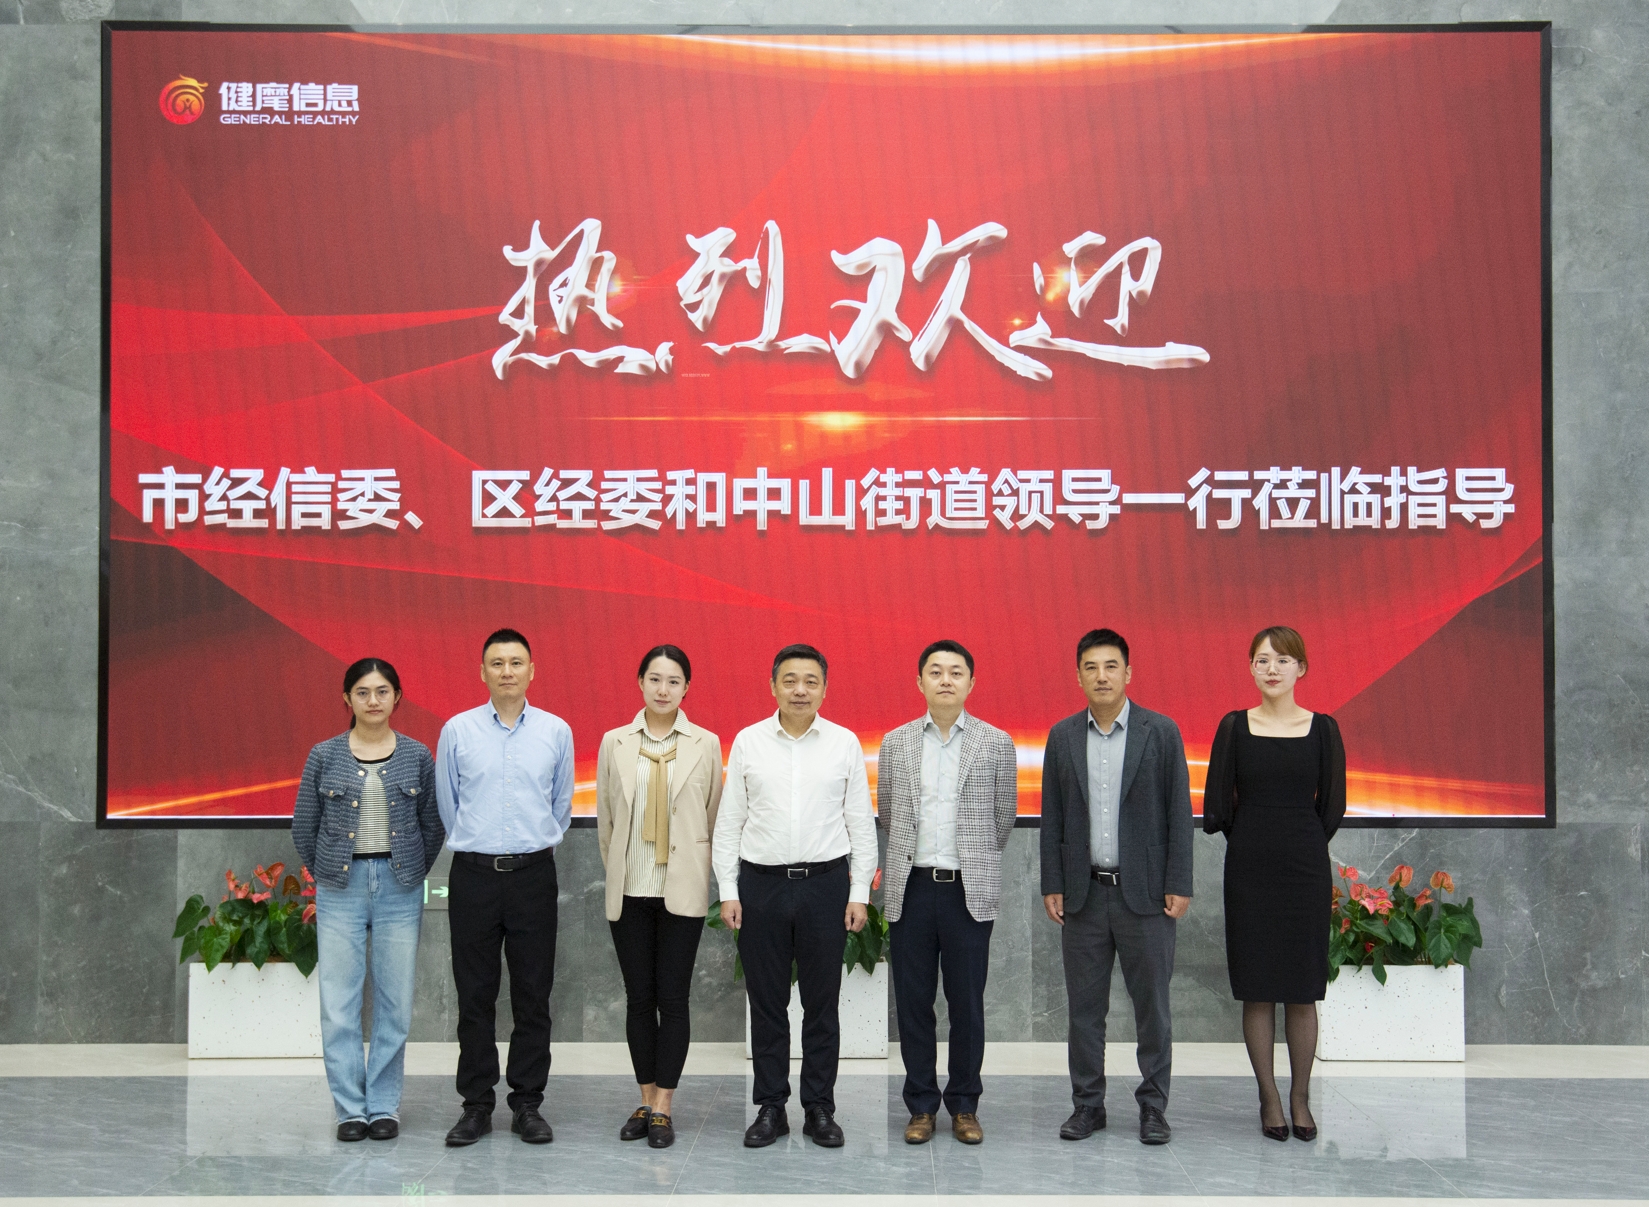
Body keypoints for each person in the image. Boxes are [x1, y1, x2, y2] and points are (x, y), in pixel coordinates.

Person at [713, 643, 878, 1149]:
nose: (800, 690)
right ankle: (770, 1107)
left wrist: (858, 892)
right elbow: (730, 822)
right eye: (790, 680)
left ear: (824, 688)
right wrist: (728, 890)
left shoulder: (844, 743)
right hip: (760, 886)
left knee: (821, 1004)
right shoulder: (748, 741)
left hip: (825, 886)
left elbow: (860, 823)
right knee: (767, 1003)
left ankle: (819, 1108)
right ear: (773, 686)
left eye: (810, 681)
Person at [1039, 628, 1194, 1146]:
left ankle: (1154, 1107)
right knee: (1085, 1011)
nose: (1101, 676)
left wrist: (1178, 881)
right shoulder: (1063, 736)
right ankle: (1088, 1105)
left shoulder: (1160, 732)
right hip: (1083, 895)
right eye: (1091, 667)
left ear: (1128, 672)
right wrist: (1053, 882)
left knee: (1153, 1009)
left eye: (1111, 666)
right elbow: (1053, 816)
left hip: (1146, 896)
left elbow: (1179, 812)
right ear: (1078, 675)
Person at [1202, 626, 1347, 1143]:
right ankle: (1269, 1099)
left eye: (1283, 660)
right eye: (1262, 659)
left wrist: (1297, 840)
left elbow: (1332, 807)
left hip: (1305, 871)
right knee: (1258, 990)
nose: (1272, 669)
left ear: (1301, 668)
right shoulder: (1234, 726)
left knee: (1303, 992)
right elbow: (1218, 804)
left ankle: (1300, 1098)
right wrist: (1255, 838)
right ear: (1250, 668)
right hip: (1250, 870)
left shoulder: (1323, 729)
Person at [292, 657, 443, 1142]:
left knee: (395, 1003)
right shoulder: (324, 755)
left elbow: (432, 824)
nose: (373, 700)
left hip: (400, 889)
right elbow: (304, 826)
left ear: (397, 697)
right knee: (339, 1004)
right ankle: (349, 1111)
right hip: (340, 889)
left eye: (382, 691)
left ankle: (382, 1106)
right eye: (362, 692)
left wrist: (411, 872)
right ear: (347, 699)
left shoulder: (417, 755)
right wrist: (330, 871)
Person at [435, 628, 574, 1147]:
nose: (507, 671)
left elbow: (560, 806)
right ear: (483, 672)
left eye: (516, 662)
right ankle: (476, 1105)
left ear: (532, 670)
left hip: (534, 876)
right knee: (474, 995)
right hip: (473, 876)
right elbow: (448, 804)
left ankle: (527, 1104)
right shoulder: (458, 730)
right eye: (497, 663)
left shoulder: (556, 731)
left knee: (533, 995)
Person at [876, 640, 1018, 1146]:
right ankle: (920, 1105)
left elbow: (1003, 817)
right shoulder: (895, 742)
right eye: (935, 671)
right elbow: (888, 813)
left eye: (956, 672)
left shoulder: (996, 742)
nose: (945, 680)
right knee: (913, 1003)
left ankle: (964, 1105)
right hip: (912, 887)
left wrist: (972, 859)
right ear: (919, 682)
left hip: (967, 891)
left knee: (967, 1005)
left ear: (971, 682)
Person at [596, 644, 724, 1149]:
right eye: (655, 679)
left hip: (681, 890)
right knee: (638, 999)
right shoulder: (614, 742)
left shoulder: (706, 744)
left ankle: (665, 1105)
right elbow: (607, 822)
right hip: (629, 889)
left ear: (686, 687)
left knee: (673, 999)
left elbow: (710, 817)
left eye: (673, 681)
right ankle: (646, 1099)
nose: (663, 689)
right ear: (640, 682)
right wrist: (622, 869)